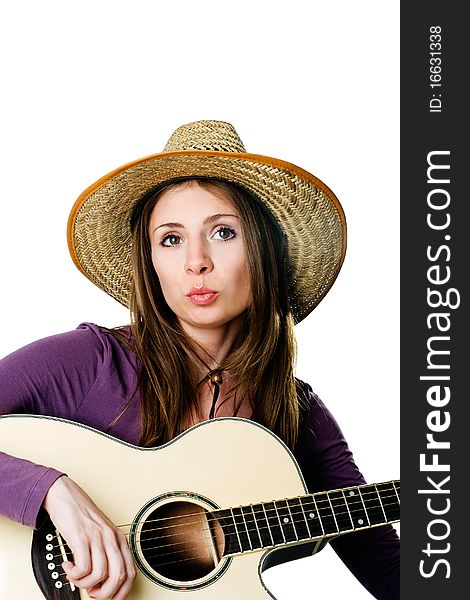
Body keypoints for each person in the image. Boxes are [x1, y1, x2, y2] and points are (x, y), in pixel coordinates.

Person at [0, 120, 399, 599]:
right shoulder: (90, 361)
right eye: (171, 239)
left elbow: (386, 565)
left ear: (264, 252)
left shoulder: (298, 416)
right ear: (150, 262)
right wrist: (51, 492)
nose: (196, 262)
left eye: (224, 233)